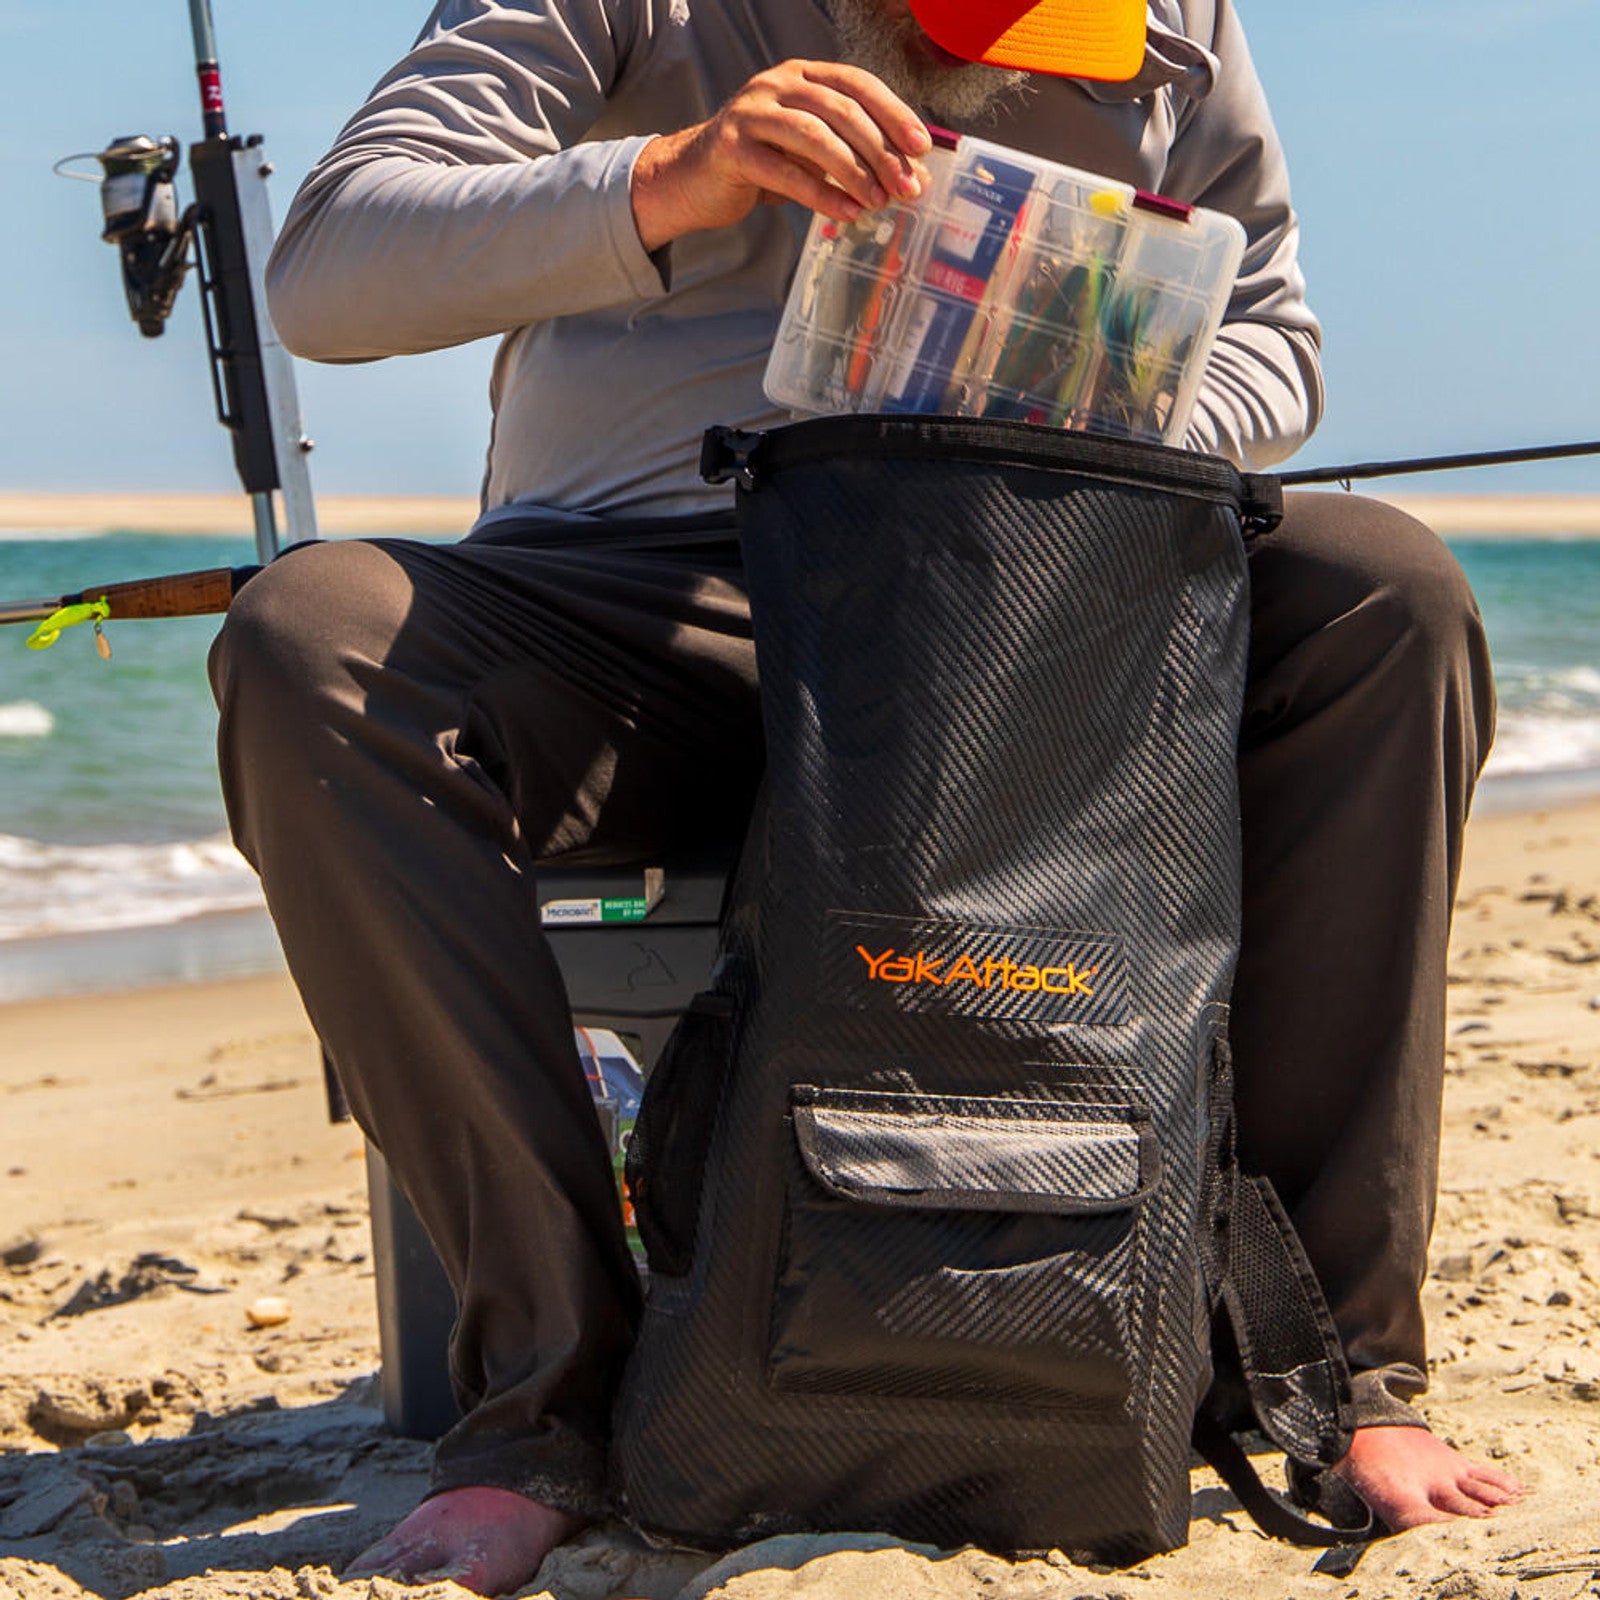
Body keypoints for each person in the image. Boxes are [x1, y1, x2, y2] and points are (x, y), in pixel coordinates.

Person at [212, 0, 1524, 1590]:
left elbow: (1275, 340)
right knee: (311, 637)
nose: (1018, 48)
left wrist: (1126, 412)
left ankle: (1330, 1371)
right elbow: (328, 275)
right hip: (649, 602)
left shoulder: (1173, 19)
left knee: (1389, 593)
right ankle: (549, 1396)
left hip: (1032, 599)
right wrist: (670, 179)